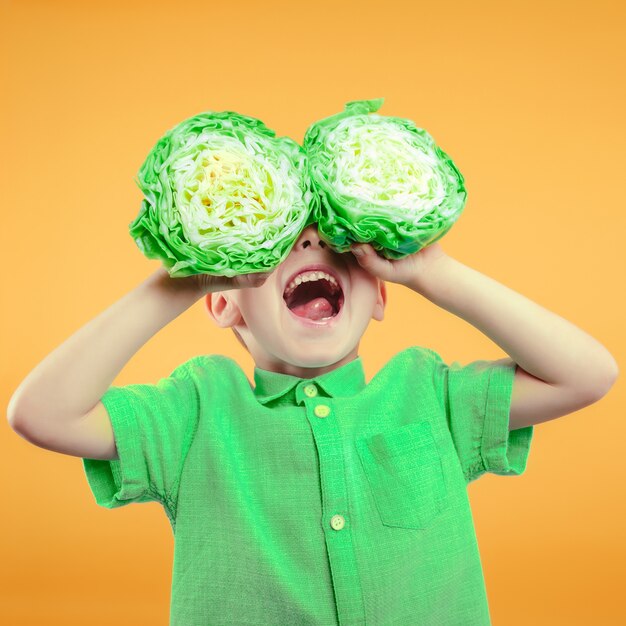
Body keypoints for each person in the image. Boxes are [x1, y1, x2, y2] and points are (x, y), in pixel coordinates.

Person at [7, 223, 618, 625]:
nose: (311, 249)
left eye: (338, 245)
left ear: (380, 297)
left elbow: (588, 374)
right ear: (223, 301)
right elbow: (41, 414)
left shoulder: (428, 393)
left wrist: (436, 270)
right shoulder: (196, 412)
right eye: (276, 248)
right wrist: (182, 280)